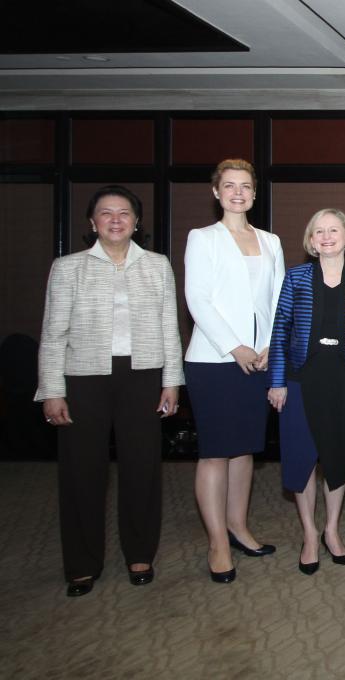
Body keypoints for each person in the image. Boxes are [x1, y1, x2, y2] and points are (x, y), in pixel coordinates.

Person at [36, 185, 184, 596]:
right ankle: (82, 563)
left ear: (137, 223)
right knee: (82, 471)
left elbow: (170, 329)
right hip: (83, 377)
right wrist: (52, 390)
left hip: (142, 375)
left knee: (142, 467)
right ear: (92, 222)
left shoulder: (157, 265)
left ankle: (140, 552)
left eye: (124, 213)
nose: (115, 219)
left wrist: (172, 381)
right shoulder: (69, 268)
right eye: (106, 213)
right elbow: (52, 334)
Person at [184, 158, 285, 583]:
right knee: (214, 451)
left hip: (260, 358)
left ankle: (239, 526)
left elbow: (281, 296)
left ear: (255, 193)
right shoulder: (202, 238)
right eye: (229, 186)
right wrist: (235, 346)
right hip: (214, 359)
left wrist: (266, 346)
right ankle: (217, 542)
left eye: (245, 186)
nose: (238, 193)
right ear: (216, 192)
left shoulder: (271, 241)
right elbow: (197, 298)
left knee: (245, 448)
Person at [267, 209, 345, 575]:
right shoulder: (296, 278)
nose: (327, 236)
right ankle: (310, 535)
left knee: (335, 457)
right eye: (320, 231)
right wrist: (278, 381)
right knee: (302, 458)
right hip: (301, 381)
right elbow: (280, 331)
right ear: (311, 240)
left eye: (335, 230)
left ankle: (332, 530)